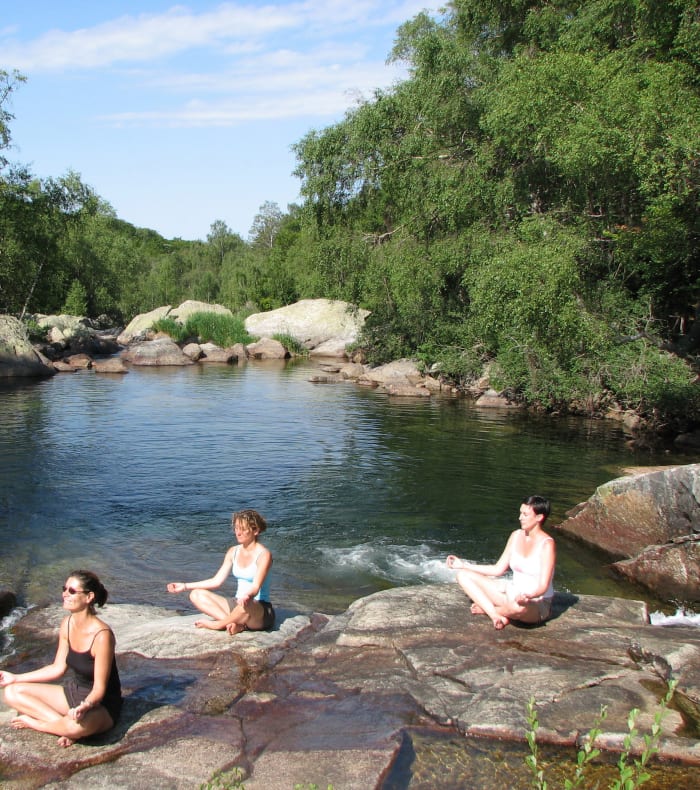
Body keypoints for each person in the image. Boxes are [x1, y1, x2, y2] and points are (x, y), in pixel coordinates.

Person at [0, 570, 122, 748]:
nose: (65, 594)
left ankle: (40, 724)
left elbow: (99, 689)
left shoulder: (102, 635)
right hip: (72, 694)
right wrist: (15, 677)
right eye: (64, 589)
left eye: (72, 591)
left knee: (75, 726)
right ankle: (62, 727)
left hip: (100, 705)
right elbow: (57, 668)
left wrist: (85, 706)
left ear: (89, 597)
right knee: (12, 692)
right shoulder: (67, 623)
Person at [446, 495, 556, 630]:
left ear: (539, 517)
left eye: (525, 515)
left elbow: (543, 586)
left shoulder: (547, 544)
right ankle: (495, 615)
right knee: (463, 575)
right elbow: (497, 569)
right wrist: (463, 565)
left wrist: (528, 596)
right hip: (511, 593)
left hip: (535, 602)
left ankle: (487, 609)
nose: (520, 518)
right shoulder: (516, 535)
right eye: (520, 513)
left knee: (518, 608)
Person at [167, 508, 274, 635]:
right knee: (196, 594)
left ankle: (218, 625)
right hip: (237, 603)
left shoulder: (264, 555)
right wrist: (184, 586)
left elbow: (255, 587)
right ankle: (234, 624)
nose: (238, 532)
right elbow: (216, 581)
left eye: (242, 529)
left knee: (245, 604)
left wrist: (248, 596)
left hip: (258, 609)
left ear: (255, 530)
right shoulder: (233, 551)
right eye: (236, 528)